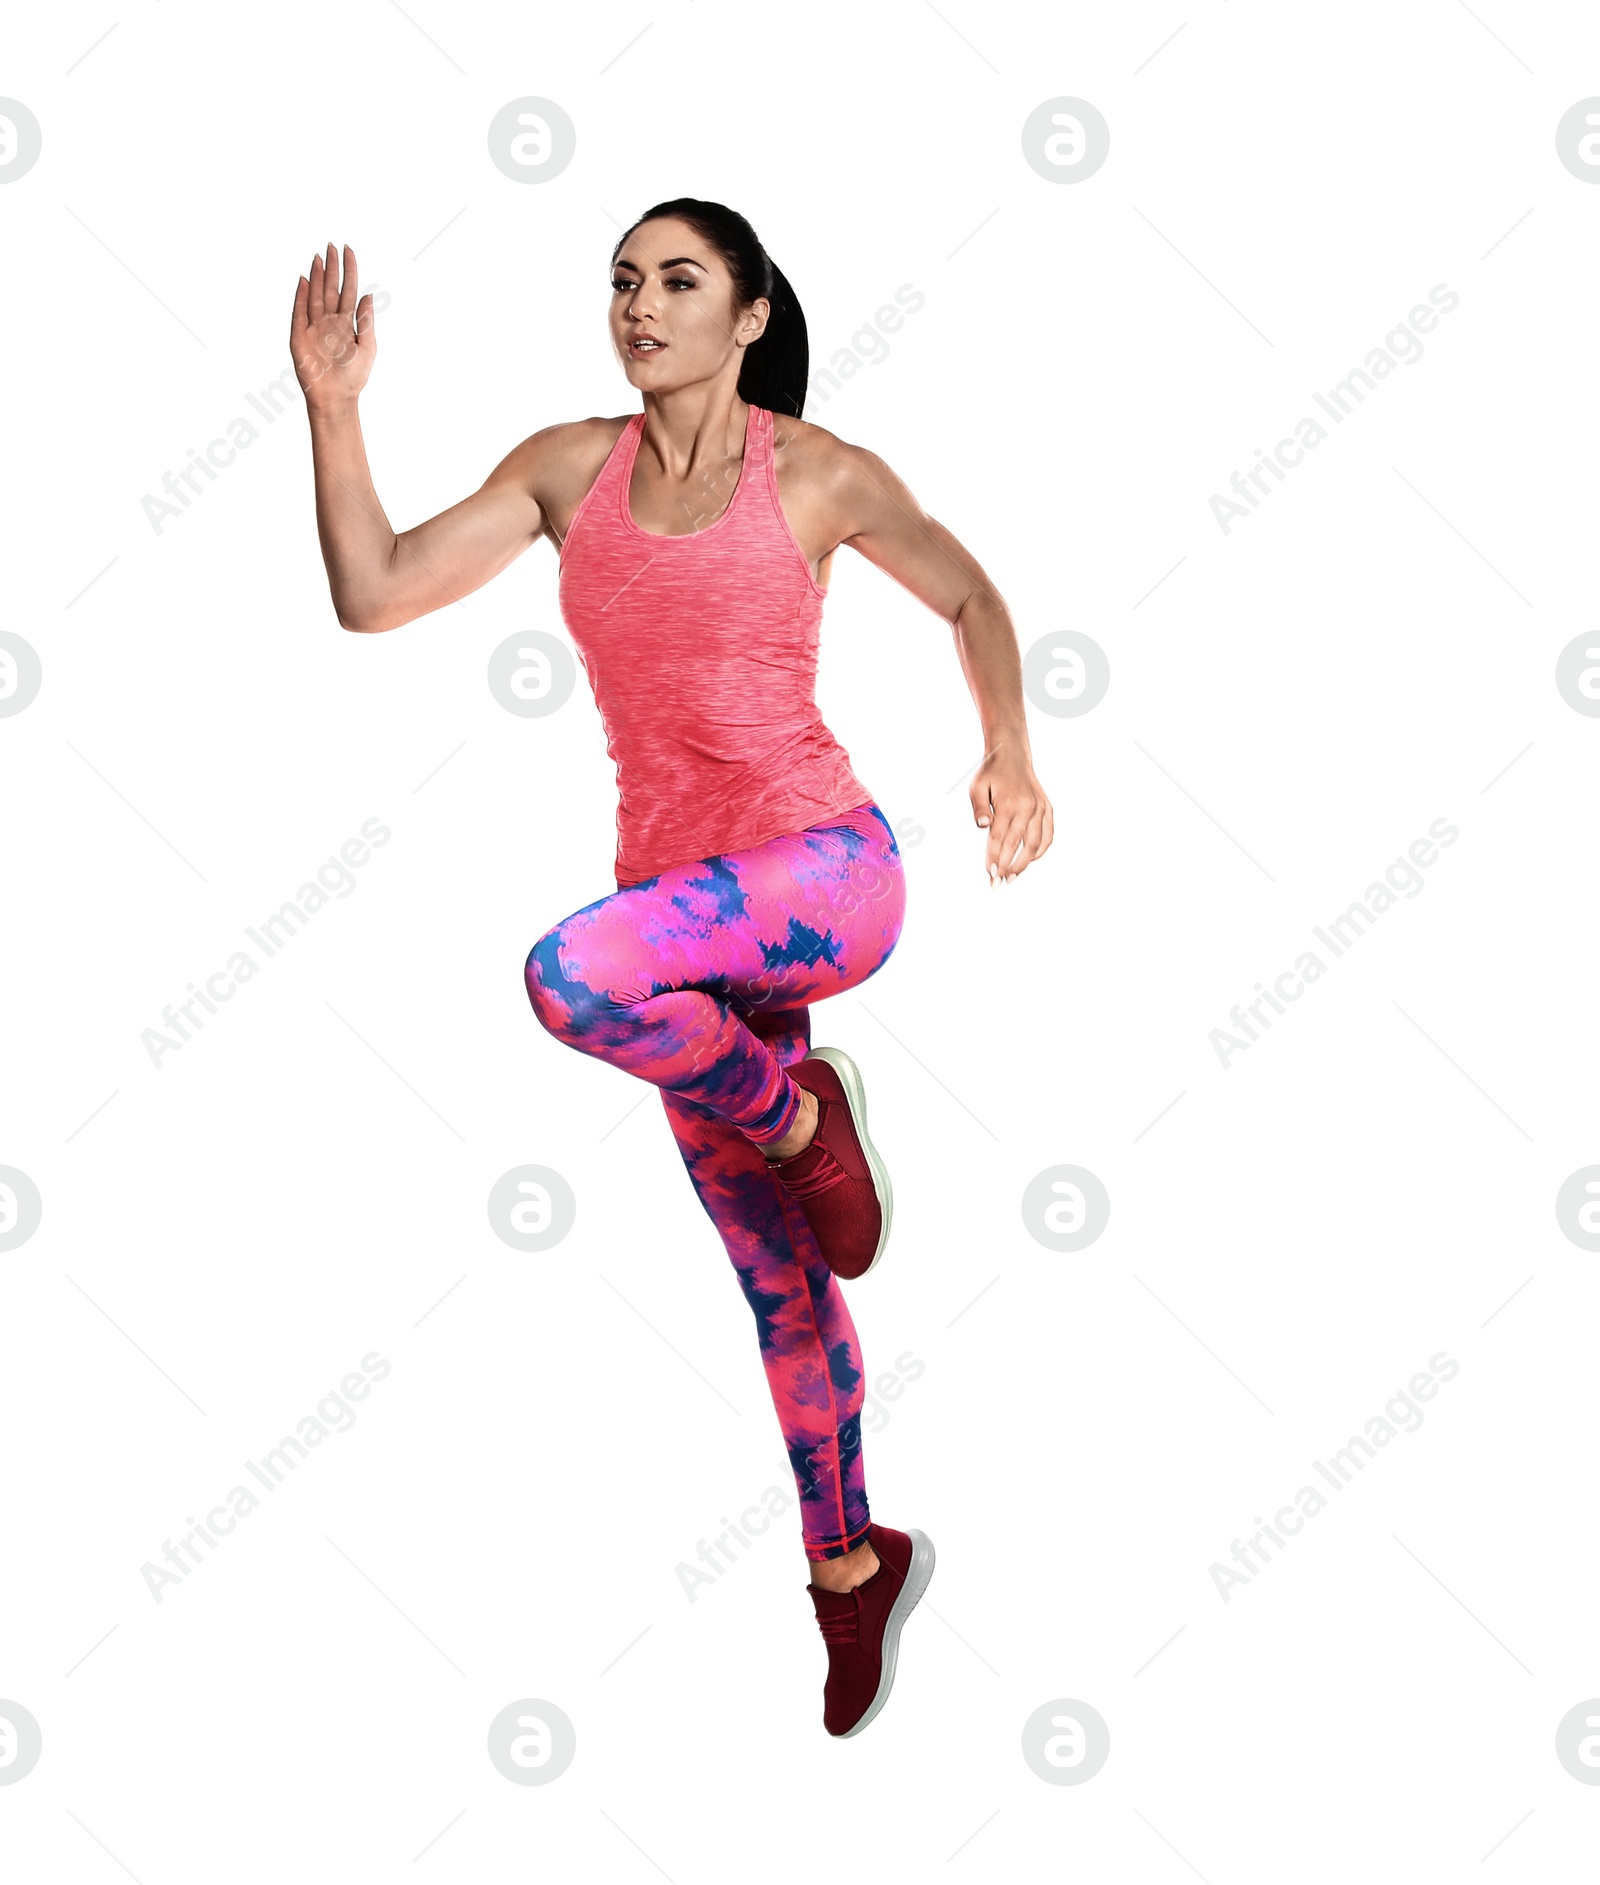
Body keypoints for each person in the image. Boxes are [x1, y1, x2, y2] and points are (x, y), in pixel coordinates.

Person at [289, 198, 1054, 1738]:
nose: (641, 306)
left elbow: (969, 592)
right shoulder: (571, 470)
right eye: (624, 283)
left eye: (678, 282)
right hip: (687, 946)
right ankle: (849, 1562)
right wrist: (333, 409)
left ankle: (798, 1117)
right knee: (780, 1280)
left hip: (827, 873)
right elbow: (371, 590)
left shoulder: (818, 474)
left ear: (750, 313)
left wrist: (1011, 752)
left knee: (568, 973)